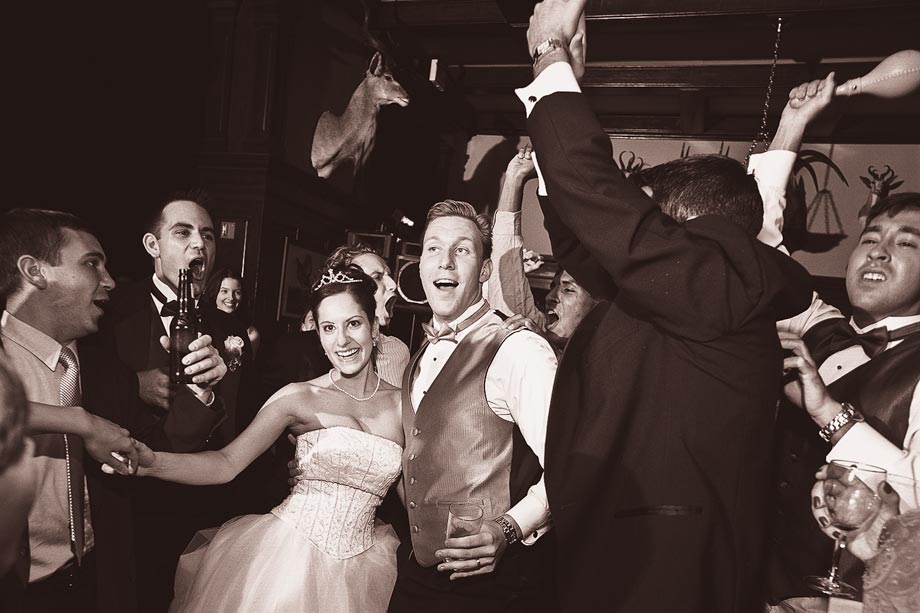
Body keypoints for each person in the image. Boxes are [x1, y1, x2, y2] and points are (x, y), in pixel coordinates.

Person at [519, 2, 814, 611]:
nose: (634, 224)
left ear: (685, 222)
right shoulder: (701, 286)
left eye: (648, 211)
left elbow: (597, 206)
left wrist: (548, 51)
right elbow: (580, 235)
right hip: (625, 555)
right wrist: (567, 82)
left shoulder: (723, 282)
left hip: (669, 574)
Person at [124, 267, 403, 613]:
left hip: (368, 570)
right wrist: (150, 462)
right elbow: (226, 464)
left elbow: (417, 495)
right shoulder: (298, 397)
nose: (341, 341)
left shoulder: (405, 406)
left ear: (374, 328)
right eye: (329, 328)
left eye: (354, 324)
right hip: (287, 563)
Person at [0, 208, 227, 613]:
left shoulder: (104, 369)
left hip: (97, 585)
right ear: (35, 271)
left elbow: (157, 450)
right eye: (91, 263)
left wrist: (200, 389)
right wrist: (78, 421)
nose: (108, 280)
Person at [387, 200, 560, 613]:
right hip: (417, 572)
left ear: (484, 271)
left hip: (492, 587)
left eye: (461, 249)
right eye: (433, 248)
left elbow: (569, 465)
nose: (444, 261)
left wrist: (510, 529)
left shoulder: (518, 349)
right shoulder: (417, 355)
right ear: (420, 265)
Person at [101, 195, 233, 612]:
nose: (200, 245)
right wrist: (131, 384)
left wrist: (213, 390)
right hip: (123, 502)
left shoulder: (231, 327)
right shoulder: (108, 312)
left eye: (208, 236)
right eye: (183, 232)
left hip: (198, 506)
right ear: (151, 245)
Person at [486, 145, 599, 353]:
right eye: (553, 287)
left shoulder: (604, 361)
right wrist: (515, 178)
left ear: (597, 308)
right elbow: (504, 276)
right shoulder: (538, 330)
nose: (550, 297)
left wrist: (542, 348)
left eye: (568, 289)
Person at [324, 244, 410, 386]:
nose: (393, 284)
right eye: (377, 277)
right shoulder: (315, 351)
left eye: (389, 275)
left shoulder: (399, 351)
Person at [202, 269, 260, 357]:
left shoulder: (251, 333)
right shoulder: (202, 322)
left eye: (237, 292)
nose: (231, 298)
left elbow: (248, 368)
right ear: (214, 292)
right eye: (224, 291)